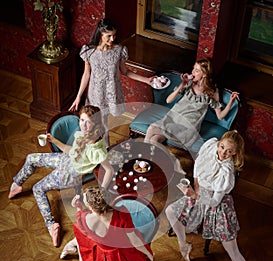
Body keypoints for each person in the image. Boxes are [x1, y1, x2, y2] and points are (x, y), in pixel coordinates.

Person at [165, 130, 258, 261]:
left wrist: (195, 196)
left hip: (216, 204)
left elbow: (215, 201)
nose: (223, 152)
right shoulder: (210, 145)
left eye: (229, 151)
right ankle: (184, 244)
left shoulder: (227, 172)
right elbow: (198, 166)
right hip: (198, 193)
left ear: (234, 154)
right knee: (170, 211)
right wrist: (195, 187)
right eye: (222, 147)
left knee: (234, 251)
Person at [8, 105, 114, 248]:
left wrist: (102, 190)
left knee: (37, 189)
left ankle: (51, 226)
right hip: (65, 160)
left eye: (88, 122)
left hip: (69, 175)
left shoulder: (97, 149)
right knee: (31, 158)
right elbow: (71, 151)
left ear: (96, 123)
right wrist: (54, 141)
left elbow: (109, 170)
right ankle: (17, 184)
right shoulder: (83, 134)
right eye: (82, 120)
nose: (83, 125)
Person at [69, 18, 154, 146]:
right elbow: (86, 74)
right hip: (96, 94)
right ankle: (97, 151)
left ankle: (103, 152)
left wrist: (147, 80)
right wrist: (78, 97)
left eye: (114, 35)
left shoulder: (119, 50)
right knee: (97, 123)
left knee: (102, 124)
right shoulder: (89, 51)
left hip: (111, 93)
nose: (112, 39)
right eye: (108, 36)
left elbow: (125, 72)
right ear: (100, 34)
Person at [60, 186, 154, 261]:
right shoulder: (121, 214)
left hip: (102, 257)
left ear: (91, 208)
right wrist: (149, 254)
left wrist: (78, 207)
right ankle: (73, 244)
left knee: (82, 236)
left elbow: (80, 218)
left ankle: (73, 246)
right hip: (123, 256)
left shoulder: (84, 218)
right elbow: (135, 240)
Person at [144, 58, 239, 150]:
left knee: (152, 128)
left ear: (204, 74)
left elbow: (220, 116)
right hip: (172, 119)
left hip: (186, 127)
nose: (193, 72)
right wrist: (182, 84)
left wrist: (231, 101)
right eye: (193, 68)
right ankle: (151, 162)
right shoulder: (189, 84)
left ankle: (140, 158)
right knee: (154, 140)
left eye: (197, 70)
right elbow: (168, 100)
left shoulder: (212, 91)